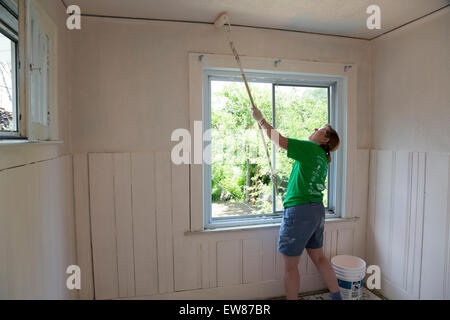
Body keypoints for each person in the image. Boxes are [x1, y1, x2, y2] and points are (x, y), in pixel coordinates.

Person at [251, 106, 342, 300]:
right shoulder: (323, 159)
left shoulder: (310, 148)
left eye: (320, 129)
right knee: (319, 257)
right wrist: (283, 182)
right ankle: (337, 297)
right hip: (316, 210)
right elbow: (304, 181)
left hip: (300, 212)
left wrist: (261, 120)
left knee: (290, 267)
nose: (315, 128)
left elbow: (278, 139)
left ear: (325, 139)